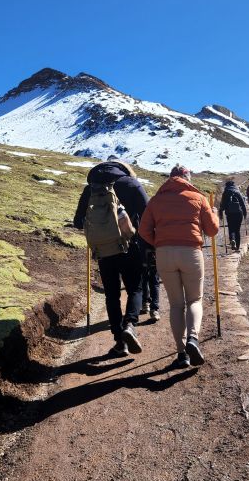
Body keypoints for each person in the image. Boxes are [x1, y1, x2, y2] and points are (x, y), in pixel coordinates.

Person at [139, 164, 219, 368]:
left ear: (170, 178)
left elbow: (143, 230)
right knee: (194, 300)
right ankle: (193, 338)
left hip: (164, 254)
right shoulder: (198, 198)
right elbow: (212, 230)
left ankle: (181, 353)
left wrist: (159, 241)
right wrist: (215, 214)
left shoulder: (156, 200)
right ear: (187, 178)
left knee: (176, 304)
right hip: (191, 252)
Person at [73, 156, 148, 357]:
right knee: (135, 288)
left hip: (103, 251)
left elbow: (78, 222)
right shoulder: (131, 183)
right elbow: (148, 213)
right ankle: (130, 325)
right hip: (129, 246)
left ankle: (119, 342)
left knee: (111, 295)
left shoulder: (91, 188)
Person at [219, 179, 246, 251]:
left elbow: (222, 205)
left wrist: (220, 213)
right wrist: (245, 213)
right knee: (237, 230)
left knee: (231, 229)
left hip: (230, 214)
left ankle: (232, 240)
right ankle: (237, 248)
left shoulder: (225, 192)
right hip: (238, 213)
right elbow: (243, 204)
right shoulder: (237, 191)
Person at [140, 250, 161, 321]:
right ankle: (150, 307)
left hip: (145, 253)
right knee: (149, 281)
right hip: (149, 252)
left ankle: (150, 306)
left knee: (148, 280)